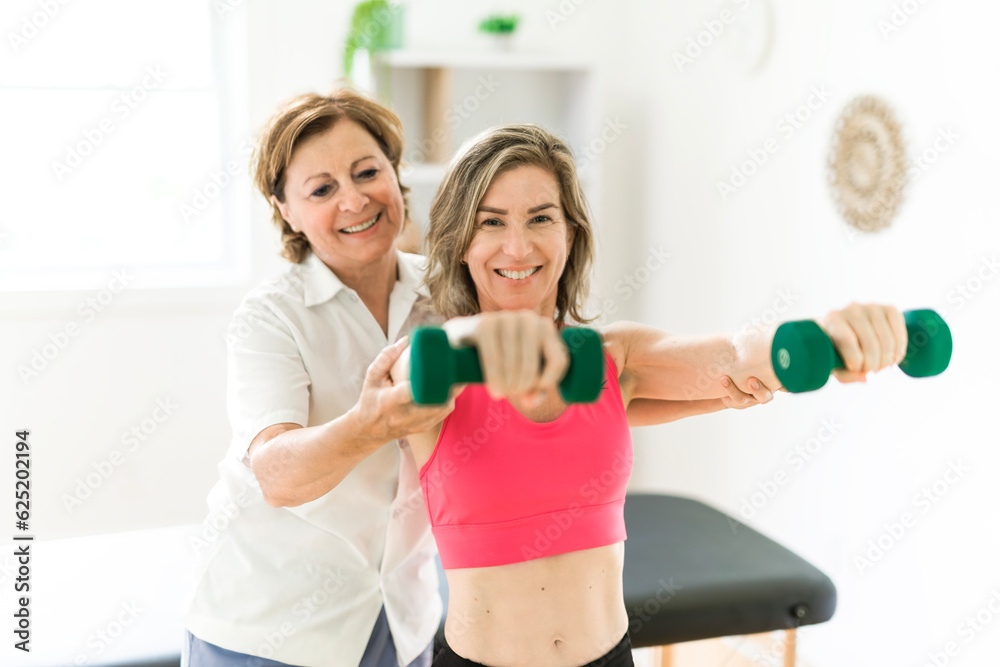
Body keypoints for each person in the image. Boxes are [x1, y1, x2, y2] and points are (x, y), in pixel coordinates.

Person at [392, 124, 908, 667]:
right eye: (490, 222)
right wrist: (480, 339)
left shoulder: (614, 358)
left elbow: (737, 356)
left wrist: (829, 337)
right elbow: (418, 366)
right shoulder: (431, 368)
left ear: (570, 233)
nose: (518, 246)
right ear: (459, 243)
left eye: (540, 218)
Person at [180, 88, 456, 667]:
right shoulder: (270, 318)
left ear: (394, 172)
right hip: (272, 628)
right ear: (288, 212)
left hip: (401, 617)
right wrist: (368, 424)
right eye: (322, 189)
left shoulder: (447, 294)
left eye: (366, 172)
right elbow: (275, 473)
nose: (354, 200)